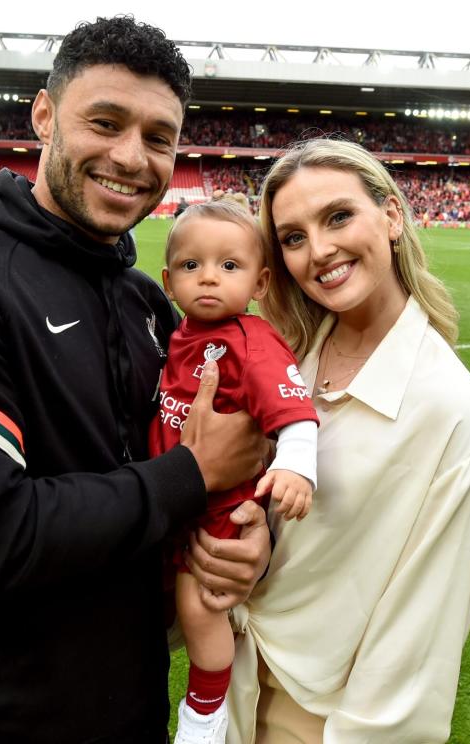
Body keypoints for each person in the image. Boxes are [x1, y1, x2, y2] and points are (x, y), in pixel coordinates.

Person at [0, 17, 271, 743]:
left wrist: (241, 535)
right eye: (106, 121)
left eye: (158, 137)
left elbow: (169, 479)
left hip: (129, 703)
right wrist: (191, 475)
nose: (131, 156)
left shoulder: (146, 300)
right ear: (45, 115)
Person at [222, 139, 470, 744]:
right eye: (293, 238)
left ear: (393, 216)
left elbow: (419, 636)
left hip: (323, 719)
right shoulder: (287, 357)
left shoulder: (447, 410)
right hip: (236, 681)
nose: (319, 251)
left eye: (338, 216)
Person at [152, 201, 319, 744]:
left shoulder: (251, 340)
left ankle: (204, 715)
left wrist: (296, 465)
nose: (207, 278)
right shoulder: (178, 334)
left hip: (219, 507)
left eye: (229, 266)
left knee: (198, 610)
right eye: (191, 265)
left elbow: (292, 408)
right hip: (171, 496)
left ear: (260, 281)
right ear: (167, 277)